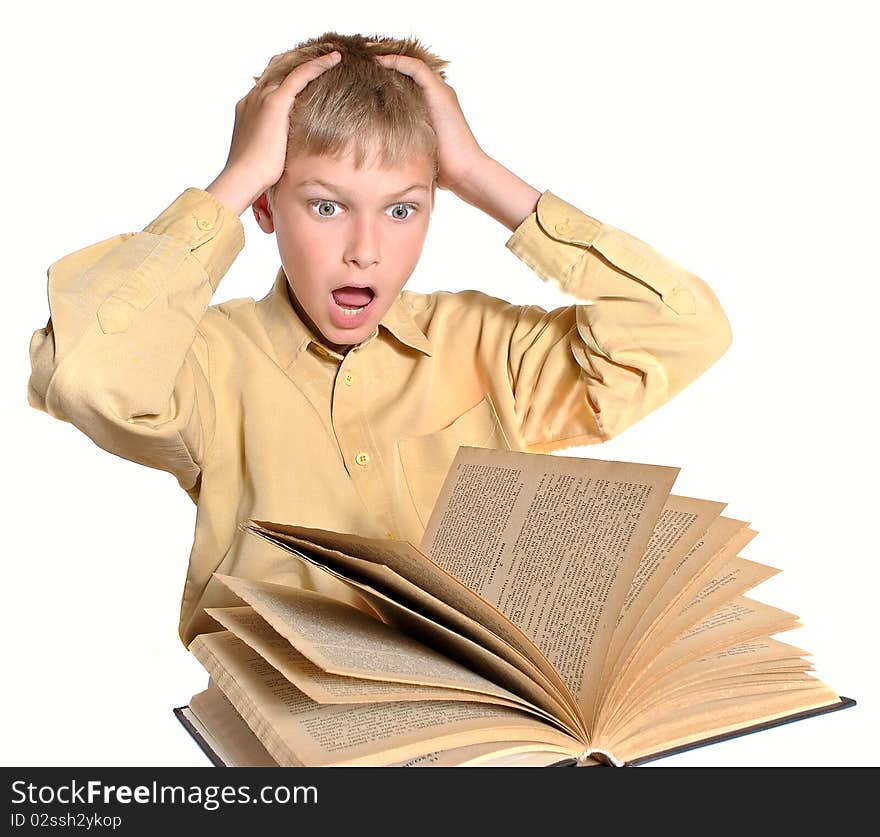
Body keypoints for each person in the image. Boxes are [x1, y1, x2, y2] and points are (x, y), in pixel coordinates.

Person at [27, 32, 732, 650]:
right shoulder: (210, 359)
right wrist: (236, 180)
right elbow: (87, 376)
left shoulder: (484, 342)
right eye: (327, 205)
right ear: (270, 206)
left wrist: (480, 174)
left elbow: (687, 327)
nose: (365, 250)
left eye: (401, 209)